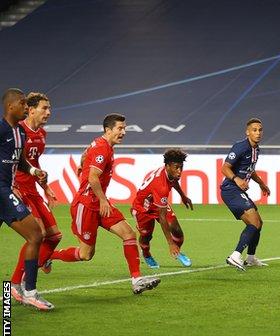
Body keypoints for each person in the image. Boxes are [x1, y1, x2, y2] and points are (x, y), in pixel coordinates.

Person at [48, 114, 160, 294]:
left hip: (99, 204)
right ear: (108, 130)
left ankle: (137, 279)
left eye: (124, 129)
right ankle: (47, 256)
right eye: (119, 129)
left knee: (128, 234)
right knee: (86, 254)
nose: (123, 132)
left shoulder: (101, 144)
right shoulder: (103, 149)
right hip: (86, 205)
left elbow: (86, 155)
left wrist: (81, 164)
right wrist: (102, 200)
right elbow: (93, 177)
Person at [1, 88, 54, 310]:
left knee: (37, 235)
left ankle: (20, 288)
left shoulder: (20, 133)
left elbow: (20, 162)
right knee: (36, 234)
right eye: (23, 104)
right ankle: (30, 292)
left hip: (6, 190)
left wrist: (34, 172)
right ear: (10, 106)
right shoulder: (1, 129)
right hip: (3, 191)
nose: (26, 108)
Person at [10, 92, 63, 300]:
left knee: (54, 236)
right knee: (36, 235)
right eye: (44, 108)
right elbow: (10, 162)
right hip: (18, 190)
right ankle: (17, 283)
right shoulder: (17, 131)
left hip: (33, 189)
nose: (48, 112)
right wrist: (12, 186)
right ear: (30, 110)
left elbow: (34, 164)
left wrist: (46, 187)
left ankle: (31, 270)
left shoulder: (41, 134)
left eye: (49, 108)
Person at [221, 117, 271, 271]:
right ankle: (235, 256)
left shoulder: (256, 149)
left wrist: (261, 183)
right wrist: (237, 180)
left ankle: (250, 258)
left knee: (259, 223)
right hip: (231, 190)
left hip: (238, 190)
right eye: (254, 130)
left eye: (260, 130)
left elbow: (250, 170)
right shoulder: (240, 147)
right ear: (247, 132)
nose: (258, 133)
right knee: (254, 223)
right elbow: (225, 168)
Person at [131, 148, 194, 269]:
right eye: (176, 167)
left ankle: (177, 251)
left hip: (157, 202)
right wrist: (170, 243)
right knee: (146, 236)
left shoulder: (171, 172)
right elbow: (162, 216)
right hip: (143, 208)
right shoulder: (161, 186)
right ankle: (146, 254)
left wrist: (183, 196)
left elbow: (174, 182)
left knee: (176, 230)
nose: (179, 171)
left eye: (181, 167)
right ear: (167, 166)